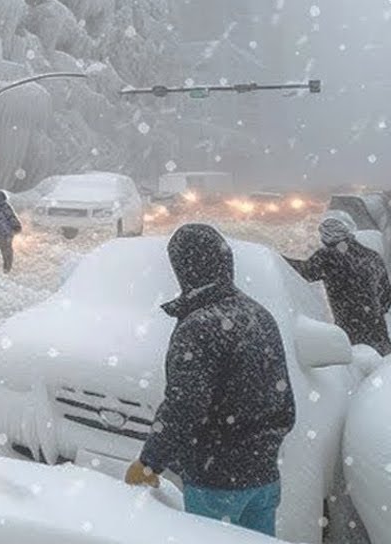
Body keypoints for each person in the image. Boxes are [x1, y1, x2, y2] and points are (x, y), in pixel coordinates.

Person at [126, 224, 295, 537]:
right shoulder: (258, 315)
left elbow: (185, 405)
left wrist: (150, 462)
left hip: (216, 483)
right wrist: (264, 445)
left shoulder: (199, 326)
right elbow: (283, 399)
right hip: (264, 478)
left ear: (183, 268)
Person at [285, 215, 391, 355]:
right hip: (377, 327)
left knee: (355, 368)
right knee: (383, 365)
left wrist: (278, 258)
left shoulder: (328, 257)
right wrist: (373, 311)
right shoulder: (372, 256)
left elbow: (305, 272)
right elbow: (386, 296)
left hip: (350, 326)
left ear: (326, 238)